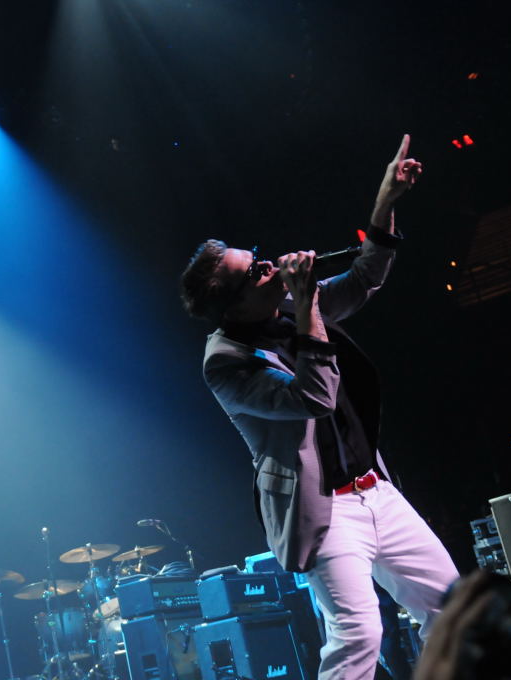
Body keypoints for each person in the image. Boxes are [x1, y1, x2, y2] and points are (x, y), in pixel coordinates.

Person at [179, 135, 459, 679]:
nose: (269, 265)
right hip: (325, 511)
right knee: (358, 635)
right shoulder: (227, 362)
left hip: (376, 489)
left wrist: (385, 200)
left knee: (453, 611)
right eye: (254, 271)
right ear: (232, 303)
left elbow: (365, 277)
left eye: (258, 257)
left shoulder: (288, 306)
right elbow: (312, 396)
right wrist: (308, 304)